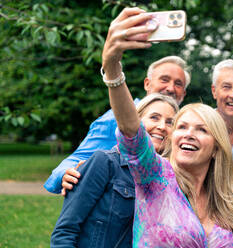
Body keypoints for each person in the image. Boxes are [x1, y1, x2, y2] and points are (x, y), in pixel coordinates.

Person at [105, 8, 233, 246]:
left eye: (202, 129)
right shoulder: (156, 176)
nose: (189, 134)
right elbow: (131, 131)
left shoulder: (227, 202)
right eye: (182, 127)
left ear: (215, 148)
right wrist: (112, 67)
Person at [44, 18, 191, 195]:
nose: (170, 88)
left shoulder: (185, 127)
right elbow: (75, 160)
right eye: (164, 80)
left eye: (178, 83)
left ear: (184, 93)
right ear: (147, 84)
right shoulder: (113, 119)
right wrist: (64, 175)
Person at [51, 93, 179, 247]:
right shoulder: (104, 163)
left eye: (170, 122)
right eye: (154, 117)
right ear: (134, 121)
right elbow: (65, 232)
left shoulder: (171, 179)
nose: (162, 126)